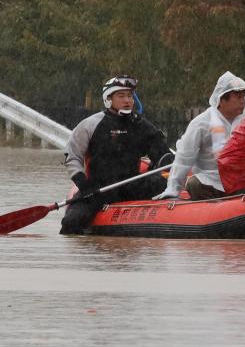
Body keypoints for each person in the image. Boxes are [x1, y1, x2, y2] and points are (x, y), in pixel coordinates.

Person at [61, 76, 170, 234]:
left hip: (132, 185)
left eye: (130, 96)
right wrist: (83, 183)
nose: (127, 100)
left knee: (162, 182)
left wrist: (166, 160)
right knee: (72, 222)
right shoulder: (90, 125)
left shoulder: (141, 125)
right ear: (108, 99)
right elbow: (72, 157)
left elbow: (162, 154)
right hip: (98, 189)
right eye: (121, 96)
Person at [154, 71, 245, 201]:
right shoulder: (201, 123)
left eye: (243, 96)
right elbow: (184, 158)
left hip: (242, 178)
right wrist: (173, 188)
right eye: (238, 97)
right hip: (212, 179)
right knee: (194, 184)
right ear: (221, 100)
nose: (242, 101)